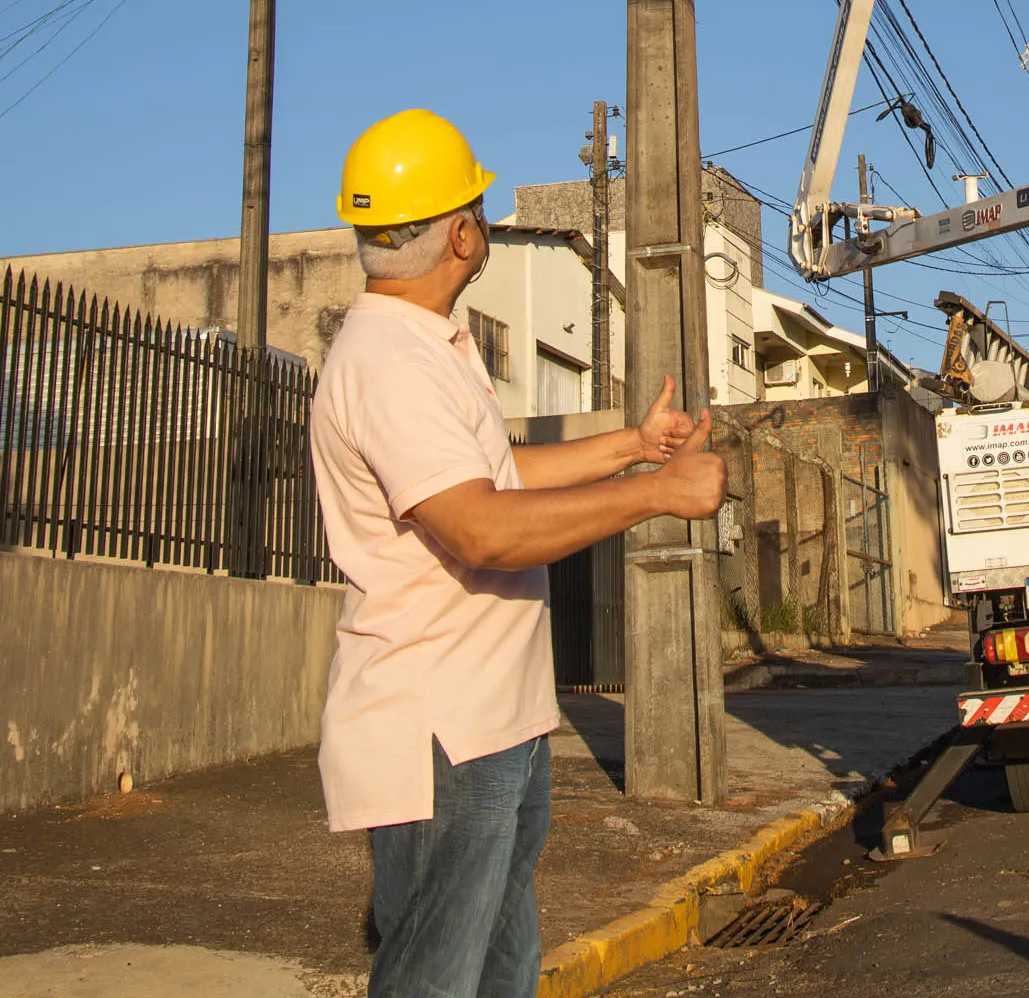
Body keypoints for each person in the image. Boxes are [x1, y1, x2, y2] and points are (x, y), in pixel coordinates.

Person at [311, 107, 727, 998]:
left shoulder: (424, 347)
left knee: (500, 969)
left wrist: (634, 447)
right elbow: (481, 528)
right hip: (440, 728)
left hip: (492, 717)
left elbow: (493, 472)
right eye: (481, 211)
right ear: (461, 234)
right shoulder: (389, 363)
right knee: (433, 972)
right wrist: (657, 496)